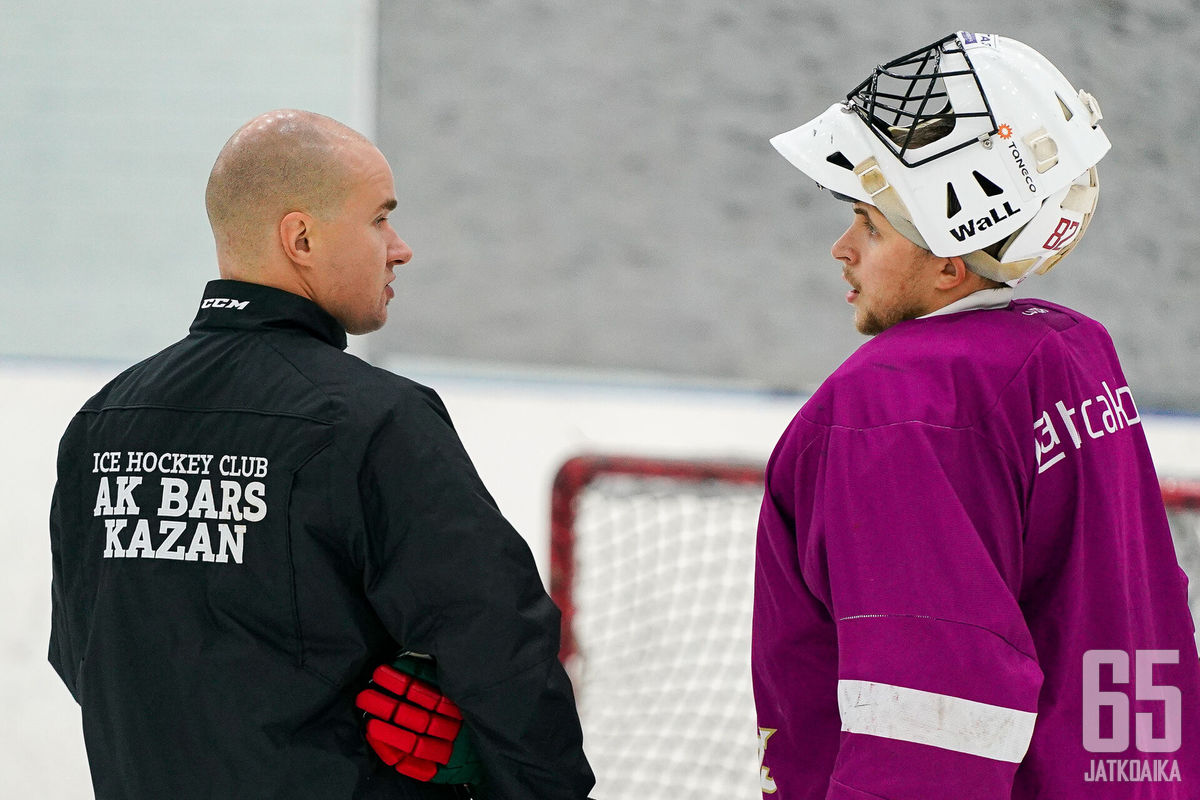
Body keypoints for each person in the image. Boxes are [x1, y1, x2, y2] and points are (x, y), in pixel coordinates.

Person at [48, 109, 595, 800]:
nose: (400, 248)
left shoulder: (104, 423)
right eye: (379, 219)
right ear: (301, 238)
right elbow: (502, 658)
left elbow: (82, 656)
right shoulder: (376, 421)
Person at [753, 32, 1200, 799]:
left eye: (870, 224)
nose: (841, 249)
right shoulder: (1074, 353)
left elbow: (930, 710)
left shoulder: (894, 406)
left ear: (950, 259)